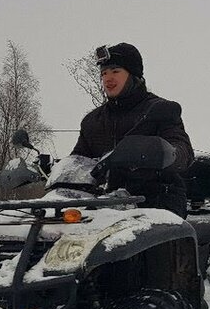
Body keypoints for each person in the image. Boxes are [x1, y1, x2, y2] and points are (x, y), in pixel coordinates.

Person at [71, 42, 194, 216]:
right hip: (107, 205)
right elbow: (79, 159)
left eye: (115, 71)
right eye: (104, 73)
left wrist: (163, 152)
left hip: (157, 202)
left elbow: (184, 152)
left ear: (133, 75)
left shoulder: (160, 110)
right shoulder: (93, 121)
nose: (108, 78)